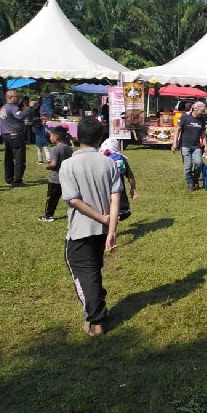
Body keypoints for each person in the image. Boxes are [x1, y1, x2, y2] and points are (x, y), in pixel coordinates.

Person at [59, 118, 122, 337]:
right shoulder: (109, 163)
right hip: (101, 232)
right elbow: (115, 198)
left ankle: (96, 321)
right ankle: (99, 307)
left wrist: (104, 220)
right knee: (93, 271)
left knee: (84, 275)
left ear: (77, 137)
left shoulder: (68, 165)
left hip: (80, 232)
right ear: (100, 139)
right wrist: (111, 229)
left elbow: (74, 200)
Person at [0, 90, 34, 186]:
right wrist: (29, 108)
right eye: (16, 96)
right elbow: (20, 116)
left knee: (8, 158)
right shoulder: (13, 107)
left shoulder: (3, 107)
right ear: (10, 97)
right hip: (15, 135)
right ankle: (17, 180)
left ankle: (9, 178)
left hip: (6, 134)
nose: (18, 98)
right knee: (19, 159)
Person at [38, 126, 73, 222]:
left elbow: (53, 164)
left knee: (52, 198)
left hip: (56, 179)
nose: (50, 138)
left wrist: (47, 166)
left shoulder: (55, 149)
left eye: (51, 136)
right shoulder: (68, 148)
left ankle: (48, 215)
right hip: (67, 177)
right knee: (70, 197)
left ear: (56, 137)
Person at [99, 138, 138, 221]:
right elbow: (130, 176)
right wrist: (133, 188)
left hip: (102, 190)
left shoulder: (98, 158)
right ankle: (114, 222)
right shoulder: (121, 159)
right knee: (120, 211)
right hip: (119, 190)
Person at [172, 101, 206, 192]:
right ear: (195, 109)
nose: (203, 113)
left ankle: (195, 178)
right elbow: (177, 130)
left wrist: (205, 146)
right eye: (202, 111)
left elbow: (203, 134)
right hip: (185, 145)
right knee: (188, 165)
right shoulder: (185, 117)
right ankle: (190, 182)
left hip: (196, 146)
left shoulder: (202, 119)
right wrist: (175, 143)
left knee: (199, 163)